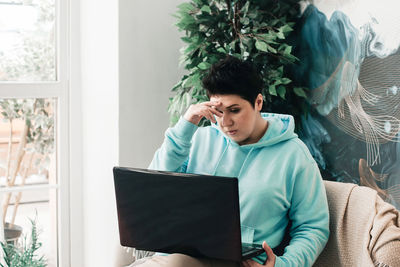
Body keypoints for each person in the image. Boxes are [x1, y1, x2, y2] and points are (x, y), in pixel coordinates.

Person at [134, 56, 329, 267]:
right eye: (219, 112)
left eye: (235, 110)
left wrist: (285, 264)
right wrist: (184, 127)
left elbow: (312, 227)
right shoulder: (200, 139)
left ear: (258, 102)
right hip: (185, 253)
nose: (225, 123)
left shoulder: (294, 155)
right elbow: (154, 188)